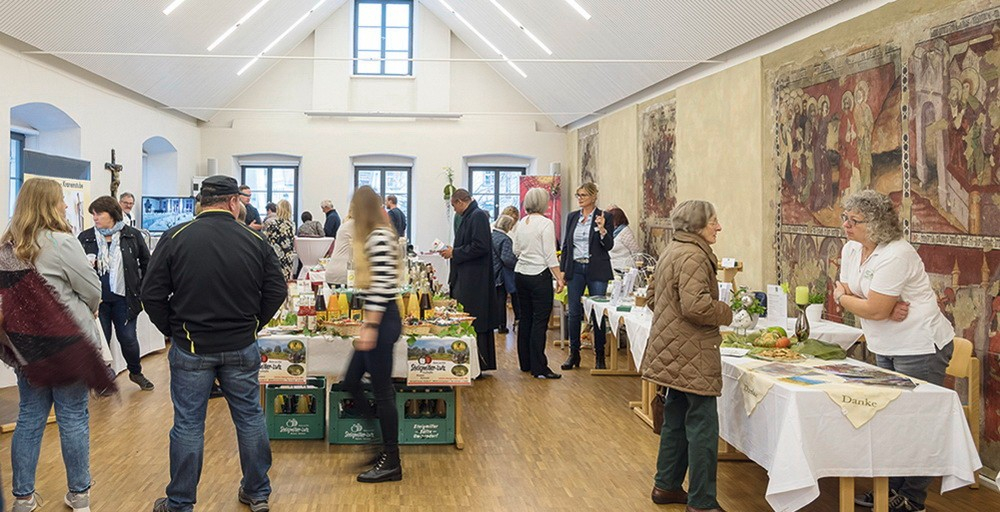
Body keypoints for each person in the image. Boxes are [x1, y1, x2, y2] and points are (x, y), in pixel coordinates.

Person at [143, 175, 286, 512]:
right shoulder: (254, 239)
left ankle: (180, 502)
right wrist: (253, 324)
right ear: (234, 202)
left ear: (201, 202)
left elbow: (151, 293)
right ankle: (257, 491)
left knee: (188, 424)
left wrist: (174, 329)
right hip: (241, 345)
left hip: (191, 346)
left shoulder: (175, 237)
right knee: (250, 417)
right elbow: (277, 290)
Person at [0, 178, 117, 512]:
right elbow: (92, 289)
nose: (66, 205)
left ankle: (22, 498)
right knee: (74, 418)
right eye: (61, 200)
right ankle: (79, 496)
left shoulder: (7, 247)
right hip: (66, 345)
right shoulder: (62, 243)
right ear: (47, 204)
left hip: (27, 349)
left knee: (29, 418)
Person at [835, 190, 955, 512]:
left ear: (875, 225)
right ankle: (889, 492)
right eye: (845, 217)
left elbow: (866, 304)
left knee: (917, 425)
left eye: (854, 220)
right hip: (885, 344)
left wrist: (865, 305)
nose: (846, 225)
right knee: (891, 422)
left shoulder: (897, 253)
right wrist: (875, 307)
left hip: (919, 346)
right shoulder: (851, 249)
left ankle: (912, 499)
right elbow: (847, 288)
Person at [640, 200, 731, 512]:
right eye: (714, 221)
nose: (718, 227)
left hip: (674, 349)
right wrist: (727, 311)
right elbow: (697, 307)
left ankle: (666, 486)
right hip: (694, 352)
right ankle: (702, 501)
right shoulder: (694, 255)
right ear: (698, 226)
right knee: (703, 426)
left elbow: (653, 297)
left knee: (676, 420)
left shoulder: (672, 249)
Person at [341, 186, 404, 483]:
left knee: (383, 391)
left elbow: (380, 287)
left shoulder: (378, 237)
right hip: (381, 318)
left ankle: (391, 459)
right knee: (351, 381)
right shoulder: (381, 234)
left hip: (382, 320)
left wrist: (370, 326)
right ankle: (378, 445)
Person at [79, 196, 154, 391]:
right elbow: (78, 268)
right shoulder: (86, 238)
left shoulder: (132, 235)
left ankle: (136, 372)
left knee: (128, 339)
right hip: (98, 302)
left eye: (99, 214)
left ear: (112, 214)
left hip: (125, 300)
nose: (95, 218)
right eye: (93, 214)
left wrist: (143, 290)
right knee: (100, 342)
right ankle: (104, 377)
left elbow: (147, 264)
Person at [441, 189, 498, 372]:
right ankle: (471, 363)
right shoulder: (470, 215)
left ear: (460, 201)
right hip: (468, 276)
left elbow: (480, 246)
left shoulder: (478, 216)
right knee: (469, 319)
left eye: (453, 206)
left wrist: (455, 253)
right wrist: (453, 250)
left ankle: (477, 364)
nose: (454, 210)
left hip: (475, 280)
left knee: (475, 320)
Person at [560, 182, 614, 370]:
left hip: (596, 270)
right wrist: (562, 271)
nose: (580, 198)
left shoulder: (604, 216)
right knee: (574, 312)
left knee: (597, 313)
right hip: (575, 269)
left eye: (583, 195)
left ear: (593, 197)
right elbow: (566, 245)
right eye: (578, 195)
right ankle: (574, 353)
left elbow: (608, 245)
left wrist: (602, 229)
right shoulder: (572, 217)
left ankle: (600, 355)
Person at [512, 188, 565, 379]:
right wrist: (559, 277)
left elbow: (515, 249)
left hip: (520, 274)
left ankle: (525, 362)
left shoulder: (521, 223)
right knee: (539, 321)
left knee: (525, 318)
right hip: (538, 275)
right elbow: (550, 254)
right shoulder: (546, 223)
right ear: (544, 203)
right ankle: (539, 367)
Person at [491, 214, 519, 334]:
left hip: (492, 271)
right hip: (501, 274)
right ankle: (502, 325)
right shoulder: (505, 239)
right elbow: (507, 259)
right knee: (501, 299)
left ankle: (496, 323)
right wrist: (517, 262)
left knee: (496, 299)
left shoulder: (491, 236)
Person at [263, 199, 296, 281]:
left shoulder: (273, 223)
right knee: (286, 279)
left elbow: (266, 239)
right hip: (288, 255)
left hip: (275, 256)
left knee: (274, 280)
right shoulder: (292, 224)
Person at [607, 207, 640, 273]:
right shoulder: (611, 231)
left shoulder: (625, 232)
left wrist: (638, 267)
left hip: (625, 269)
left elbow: (635, 251)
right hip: (613, 268)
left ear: (616, 219)